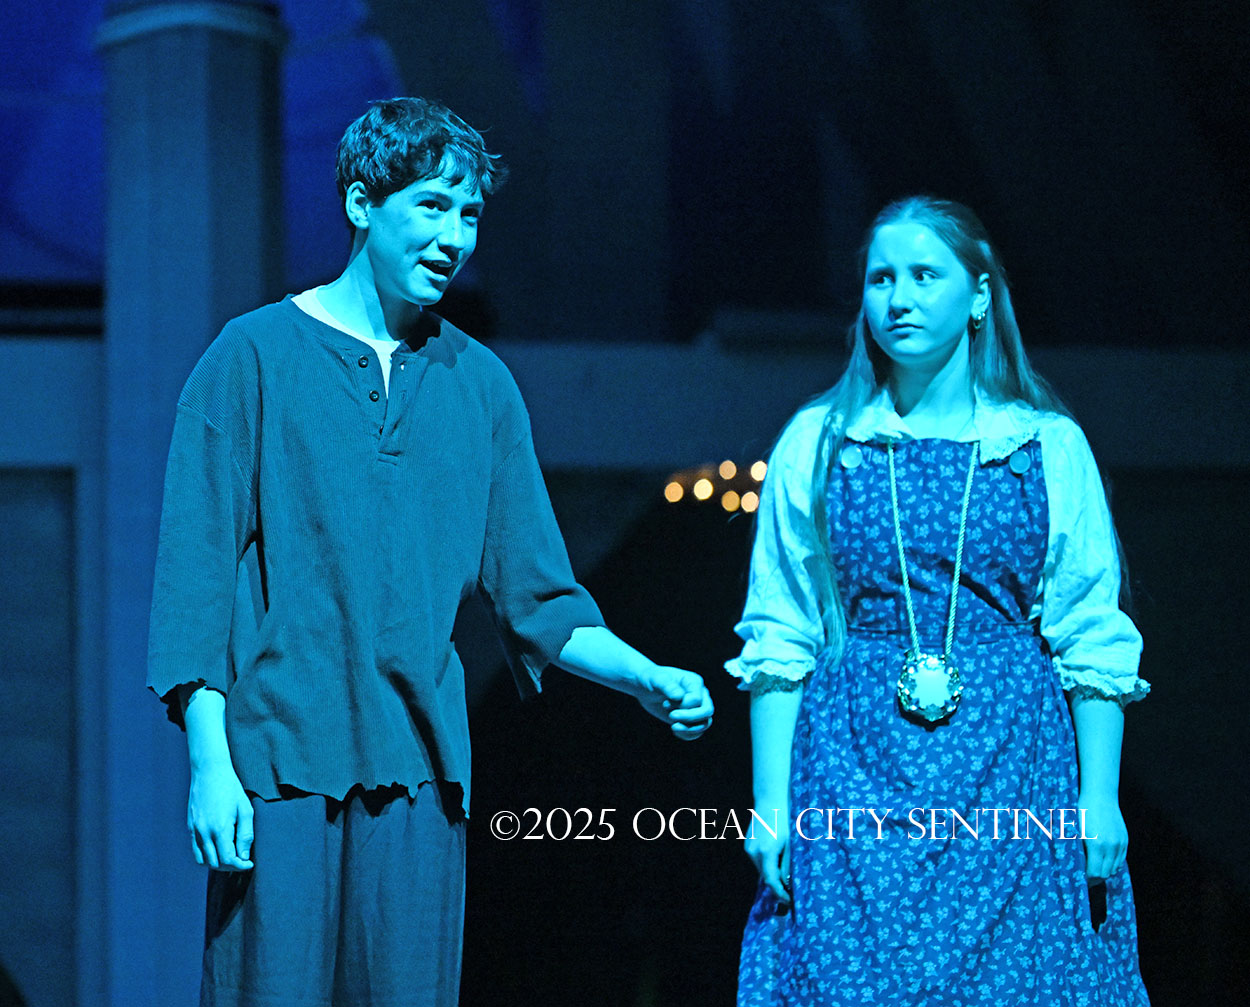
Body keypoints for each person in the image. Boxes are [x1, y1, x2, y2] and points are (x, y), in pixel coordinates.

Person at [147, 96, 713, 1007]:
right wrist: (212, 765)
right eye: (432, 206)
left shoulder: (480, 385)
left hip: (419, 779)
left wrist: (641, 674)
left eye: (470, 214)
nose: (455, 237)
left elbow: (538, 597)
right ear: (362, 203)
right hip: (277, 770)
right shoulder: (250, 359)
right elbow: (195, 584)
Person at [727, 196, 1150, 1005]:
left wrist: (1100, 797)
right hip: (854, 766)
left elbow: (1091, 629)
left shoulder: (1042, 446)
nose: (900, 298)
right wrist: (771, 804)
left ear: (979, 295)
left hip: (1012, 769)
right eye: (882, 278)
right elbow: (781, 630)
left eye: (926, 275)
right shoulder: (822, 442)